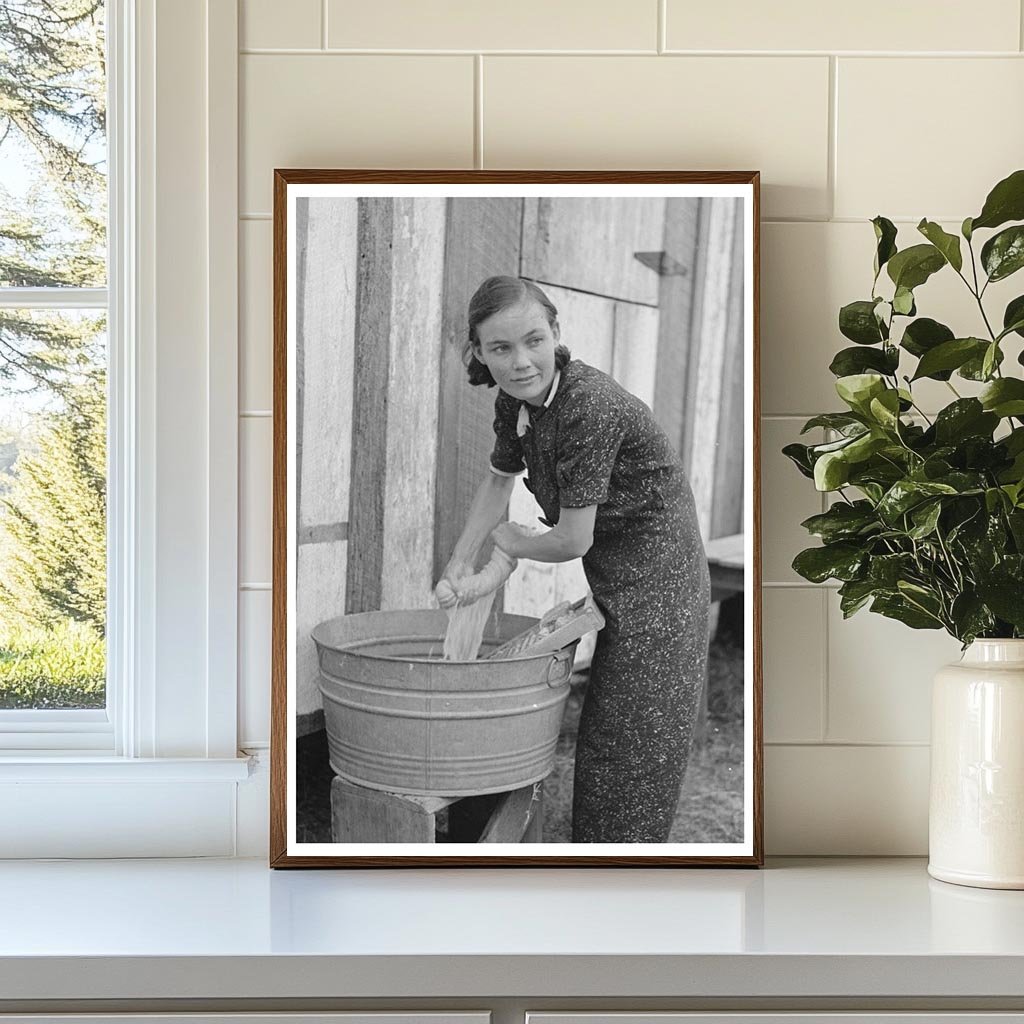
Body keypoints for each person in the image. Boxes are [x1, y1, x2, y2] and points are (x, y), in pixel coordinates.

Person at [437, 276, 711, 843]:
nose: (520, 362)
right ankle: (600, 860)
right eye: (500, 348)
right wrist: (458, 565)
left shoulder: (589, 407)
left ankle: (621, 873)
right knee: (608, 728)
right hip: (617, 573)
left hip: (663, 580)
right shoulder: (516, 400)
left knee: (632, 736)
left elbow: (570, 540)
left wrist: (513, 544)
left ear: (556, 332)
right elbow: (498, 482)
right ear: (479, 352)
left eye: (534, 341)